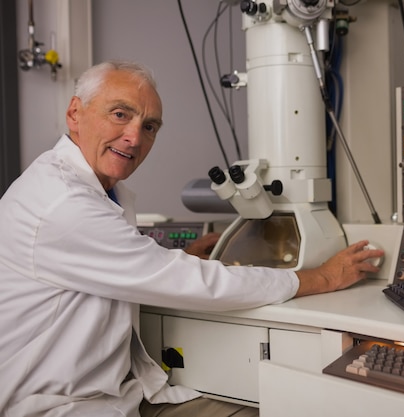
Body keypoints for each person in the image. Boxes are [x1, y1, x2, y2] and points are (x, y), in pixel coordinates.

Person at [0, 60, 384, 417]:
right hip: (57, 408)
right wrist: (322, 278)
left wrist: (180, 255)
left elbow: (122, 266)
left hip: (112, 393)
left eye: (149, 126)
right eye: (120, 114)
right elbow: (179, 280)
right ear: (75, 113)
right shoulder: (63, 201)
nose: (134, 137)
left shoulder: (89, 189)